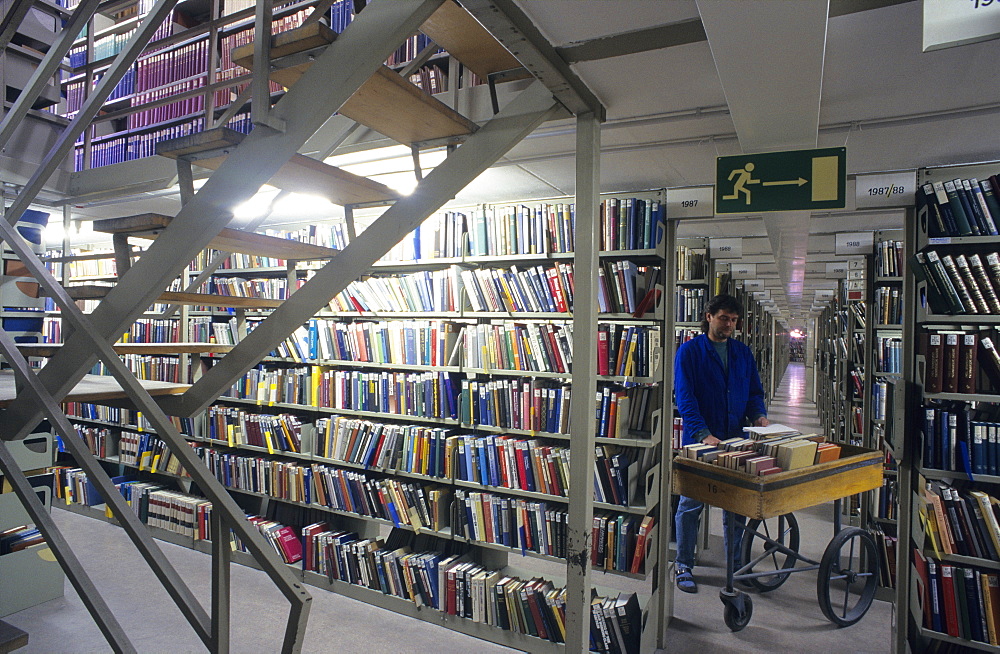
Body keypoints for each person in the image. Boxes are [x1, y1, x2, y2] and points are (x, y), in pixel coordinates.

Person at [673, 294, 768, 593]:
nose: (729, 325)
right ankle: (684, 563)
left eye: (734, 320)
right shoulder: (689, 352)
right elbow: (684, 398)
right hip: (701, 442)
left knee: (735, 504)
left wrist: (760, 416)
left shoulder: (742, 352)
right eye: (724, 318)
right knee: (691, 504)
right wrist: (703, 433)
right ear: (709, 316)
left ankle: (735, 564)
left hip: (736, 439)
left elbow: (754, 391)